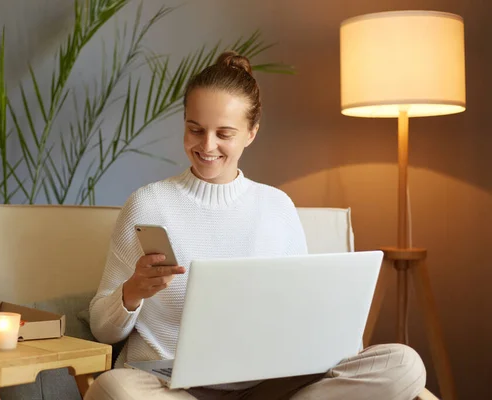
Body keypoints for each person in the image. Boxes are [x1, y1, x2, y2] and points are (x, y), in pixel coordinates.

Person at [85, 51, 426, 400]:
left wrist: (328, 339)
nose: (207, 145)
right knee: (113, 388)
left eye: (224, 133)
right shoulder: (150, 203)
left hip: (268, 388)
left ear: (251, 133)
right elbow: (101, 329)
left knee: (404, 364)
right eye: (195, 129)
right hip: (172, 388)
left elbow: (300, 314)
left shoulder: (276, 207)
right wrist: (132, 292)